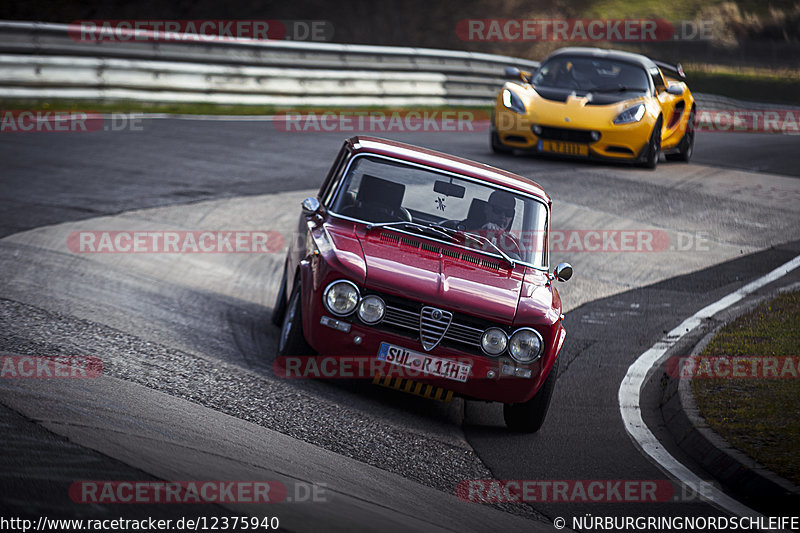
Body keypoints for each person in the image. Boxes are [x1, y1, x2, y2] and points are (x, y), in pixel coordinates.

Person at [481, 190, 521, 259]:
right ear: (487, 208)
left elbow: (524, 267)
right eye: (497, 210)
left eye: (508, 213)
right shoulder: (465, 229)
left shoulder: (515, 244)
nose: (503, 216)